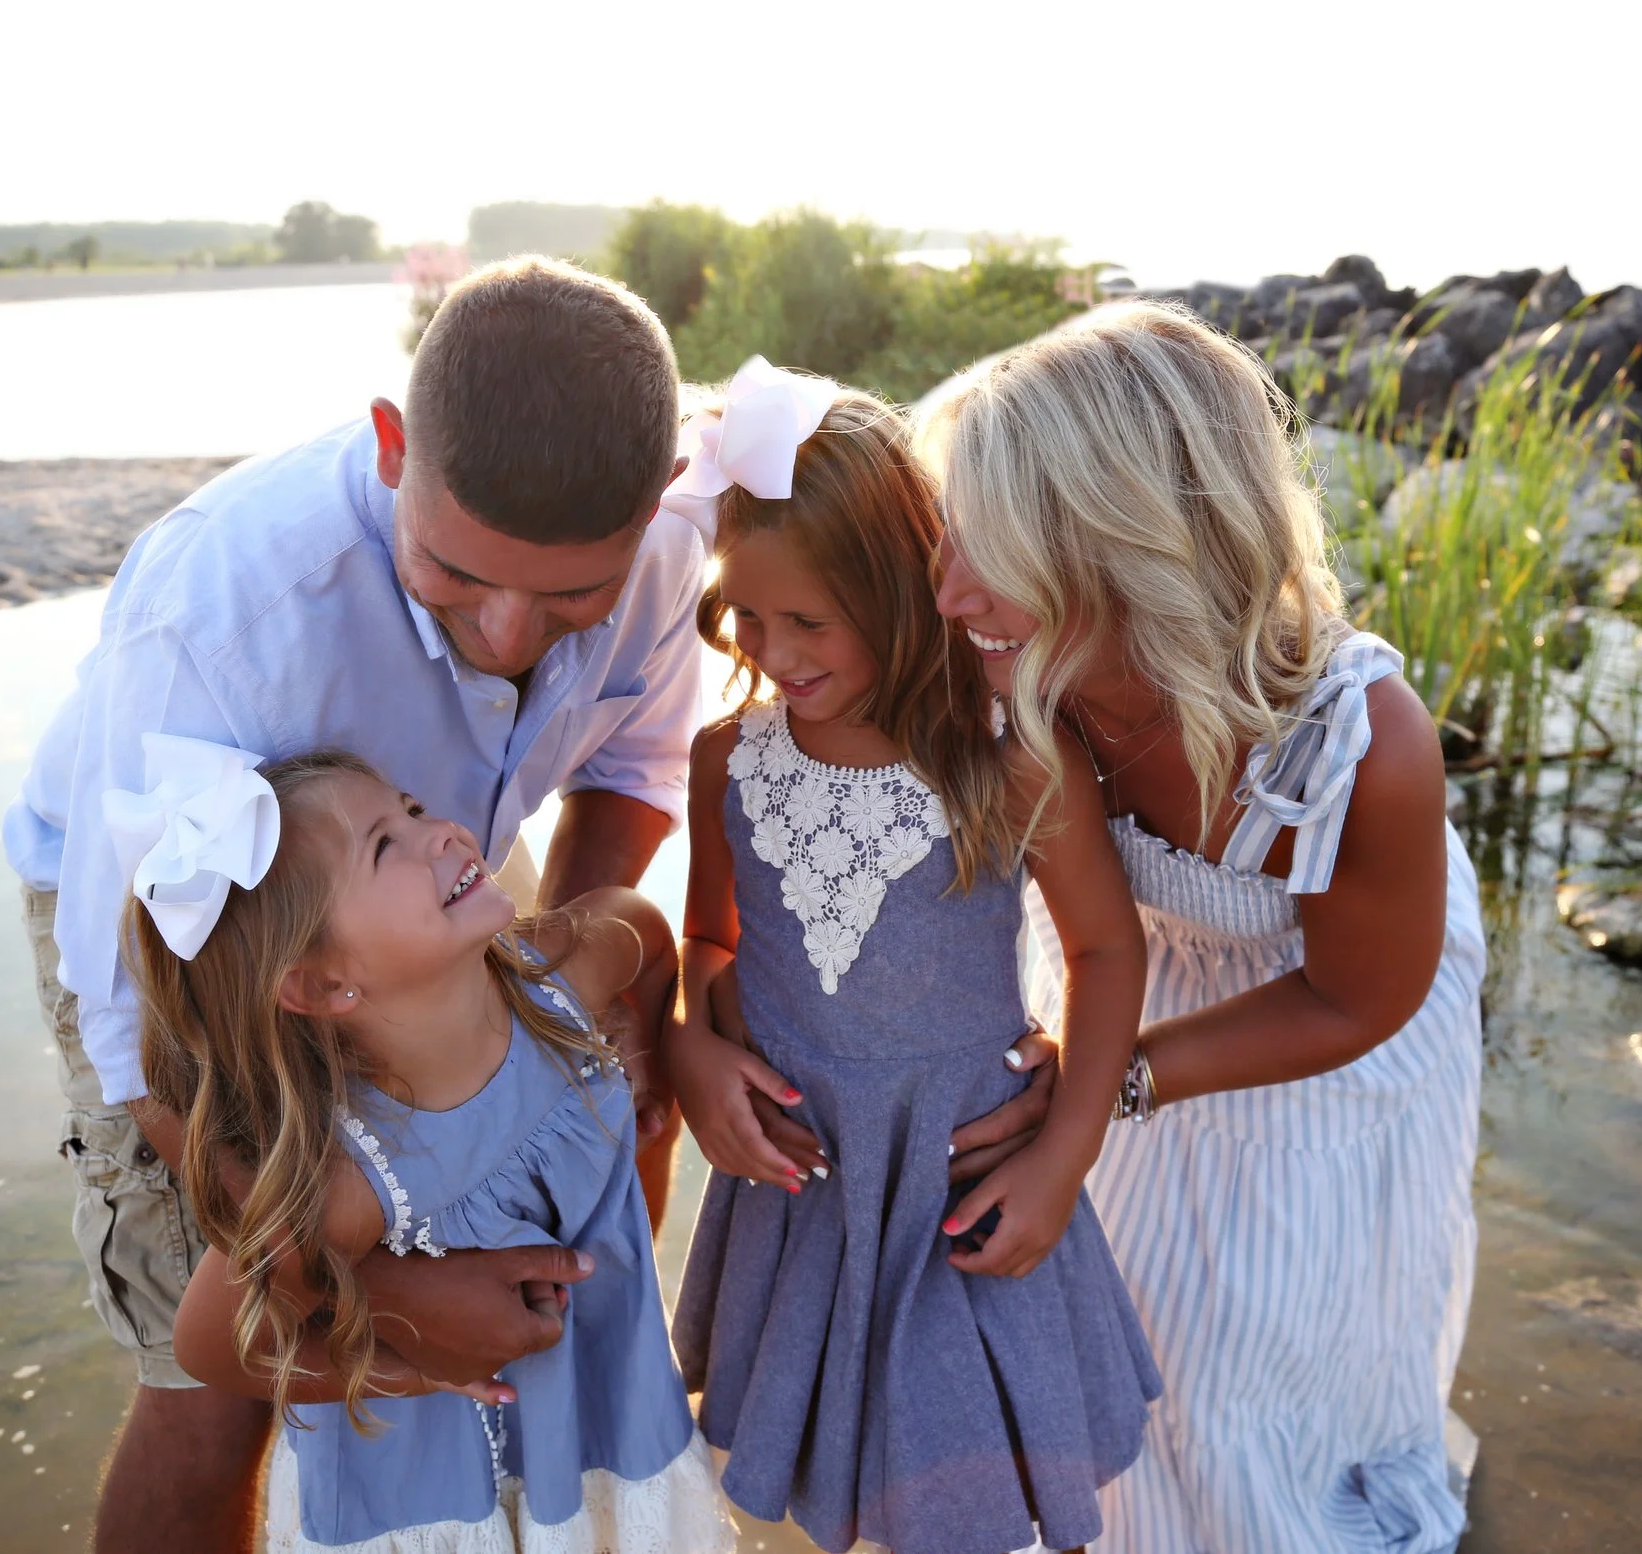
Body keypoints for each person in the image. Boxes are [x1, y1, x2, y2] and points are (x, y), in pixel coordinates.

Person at [0, 258, 706, 1551]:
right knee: (217, 1381)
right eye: (454, 569)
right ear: (390, 446)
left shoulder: (667, 547)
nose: (505, 634)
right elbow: (132, 1021)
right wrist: (369, 1294)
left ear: (659, 503)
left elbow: (626, 766)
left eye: (570, 600)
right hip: (175, 935)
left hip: (439, 881)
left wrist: (581, 1021)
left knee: (533, 1249)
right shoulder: (224, 610)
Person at [924, 301, 1486, 1554]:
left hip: (1322, 1015)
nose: (951, 592)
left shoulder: (1358, 750)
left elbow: (1354, 999)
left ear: (1132, 551)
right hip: (1118, 977)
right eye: (947, 540)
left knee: (1255, 1335)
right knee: (1115, 1299)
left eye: (991, 552)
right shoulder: (1023, 672)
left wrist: (1108, 1080)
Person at [662, 361, 1162, 1554]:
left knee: (994, 1494)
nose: (774, 651)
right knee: (852, 1489)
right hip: (807, 1187)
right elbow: (709, 935)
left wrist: (1063, 1156)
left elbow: (1103, 945)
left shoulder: (1008, 757)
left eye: (809, 621)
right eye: (747, 616)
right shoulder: (727, 757)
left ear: (897, 586)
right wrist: (692, 1047)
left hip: (960, 1180)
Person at [108, 742, 731, 1552]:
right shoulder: (352, 1180)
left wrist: (645, 1059)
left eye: (408, 807)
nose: (437, 831)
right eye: (384, 845)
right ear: (325, 985)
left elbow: (642, 930)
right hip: (429, 1496)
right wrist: (408, 1372)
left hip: (604, 1429)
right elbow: (218, 1345)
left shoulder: (563, 985)